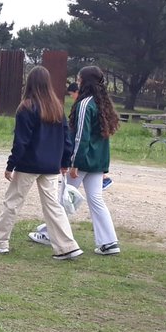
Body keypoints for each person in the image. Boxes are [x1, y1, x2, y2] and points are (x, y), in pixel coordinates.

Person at [0, 66, 82, 260]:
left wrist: (11, 165)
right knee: (53, 206)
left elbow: (21, 141)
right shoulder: (57, 107)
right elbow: (66, 139)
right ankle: (67, 246)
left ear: (30, 83)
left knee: (13, 202)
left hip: (29, 164)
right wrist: (64, 161)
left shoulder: (26, 107)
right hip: (51, 166)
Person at [31, 66, 122, 255]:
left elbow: (81, 136)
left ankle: (50, 234)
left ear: (84, 81)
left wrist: (73, 162)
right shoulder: (102, 103)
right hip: (97, 162)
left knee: (62, 197)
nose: (77, 82)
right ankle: (109, 242)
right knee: (96, 199)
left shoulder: (84, 104)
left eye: (79, 79)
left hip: (81, 161)